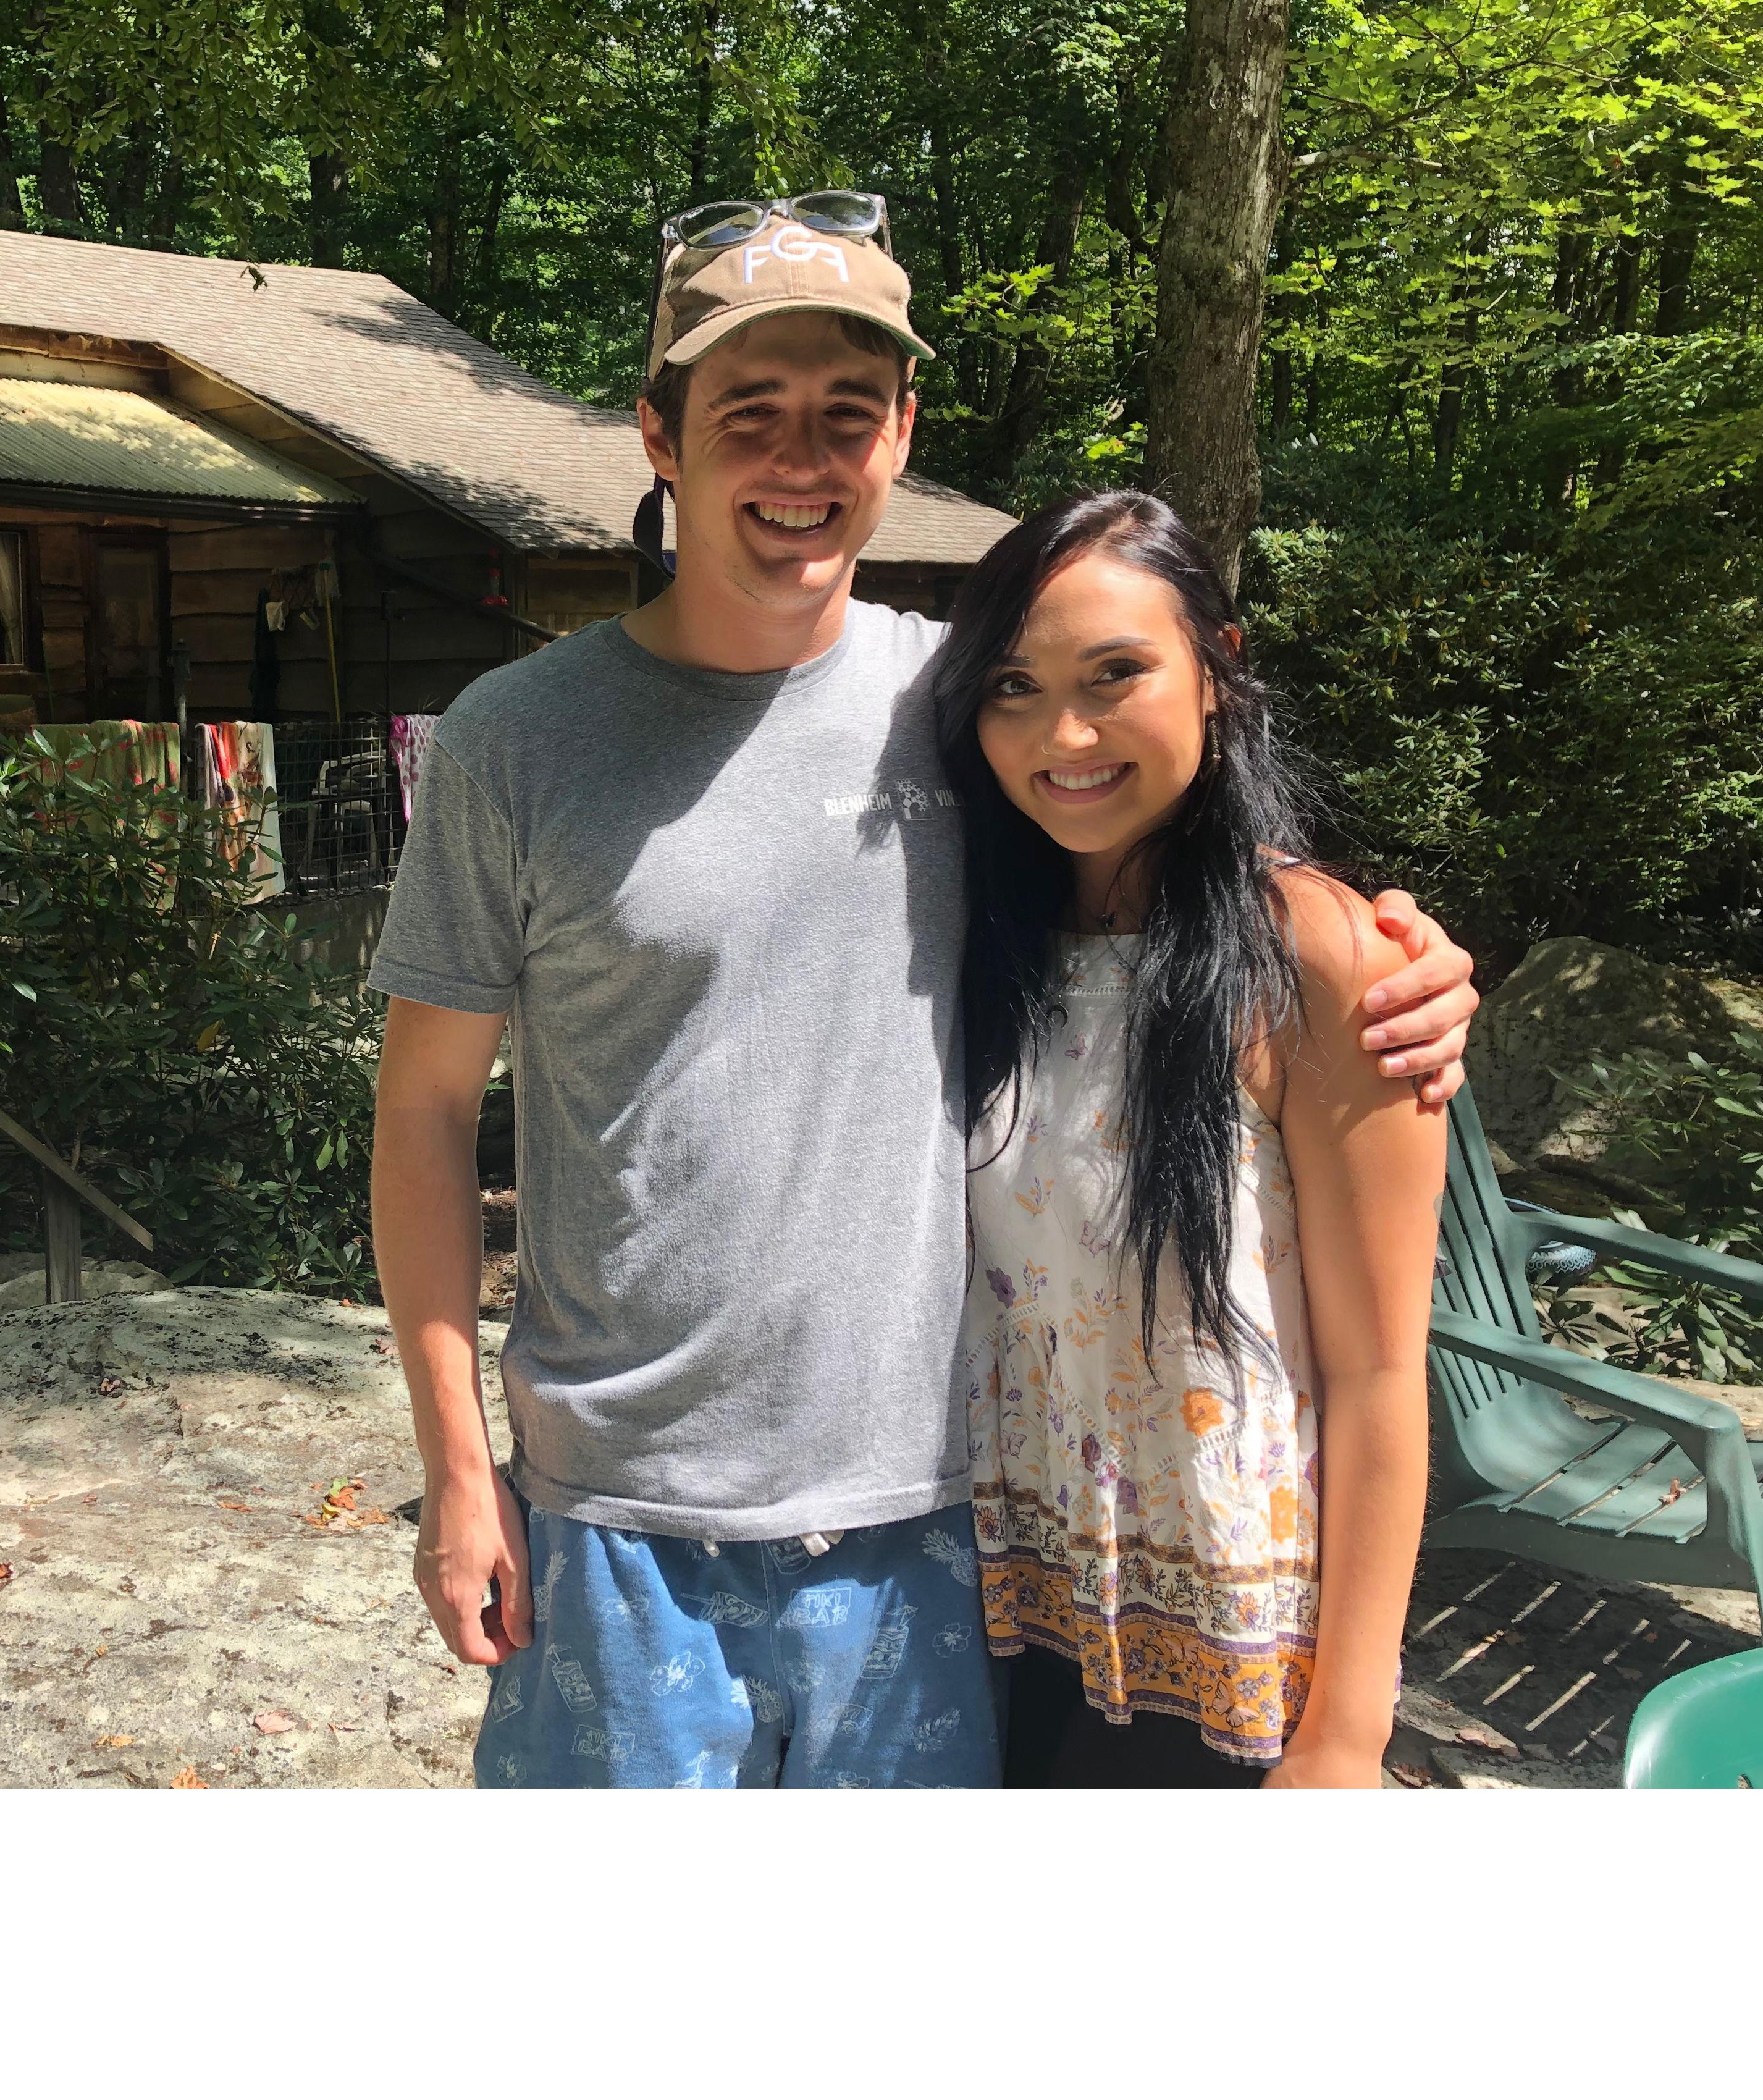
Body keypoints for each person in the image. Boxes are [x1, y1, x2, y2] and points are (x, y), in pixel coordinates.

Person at [366, 194, 1476, 1788]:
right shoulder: (514, 743)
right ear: (660, 438)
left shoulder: (959, 706)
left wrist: (1393, 960)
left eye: (847, 412)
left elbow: (1164, 823)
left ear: (902, 435)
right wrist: (459, 1470)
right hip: (614, 1523)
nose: (800, 462)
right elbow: (419, 1116)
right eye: (748, 413)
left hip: (938, 1531)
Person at [935, 491, 1445, 1788]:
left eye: (1119, 675)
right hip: (994, 1608)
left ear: (1219, 671)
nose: (1066, 734)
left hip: (1228, 1642)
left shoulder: (1318, 958)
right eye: (1012, 686)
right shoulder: (975, 938)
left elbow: (1384, 1374)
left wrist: (1347, 1732)